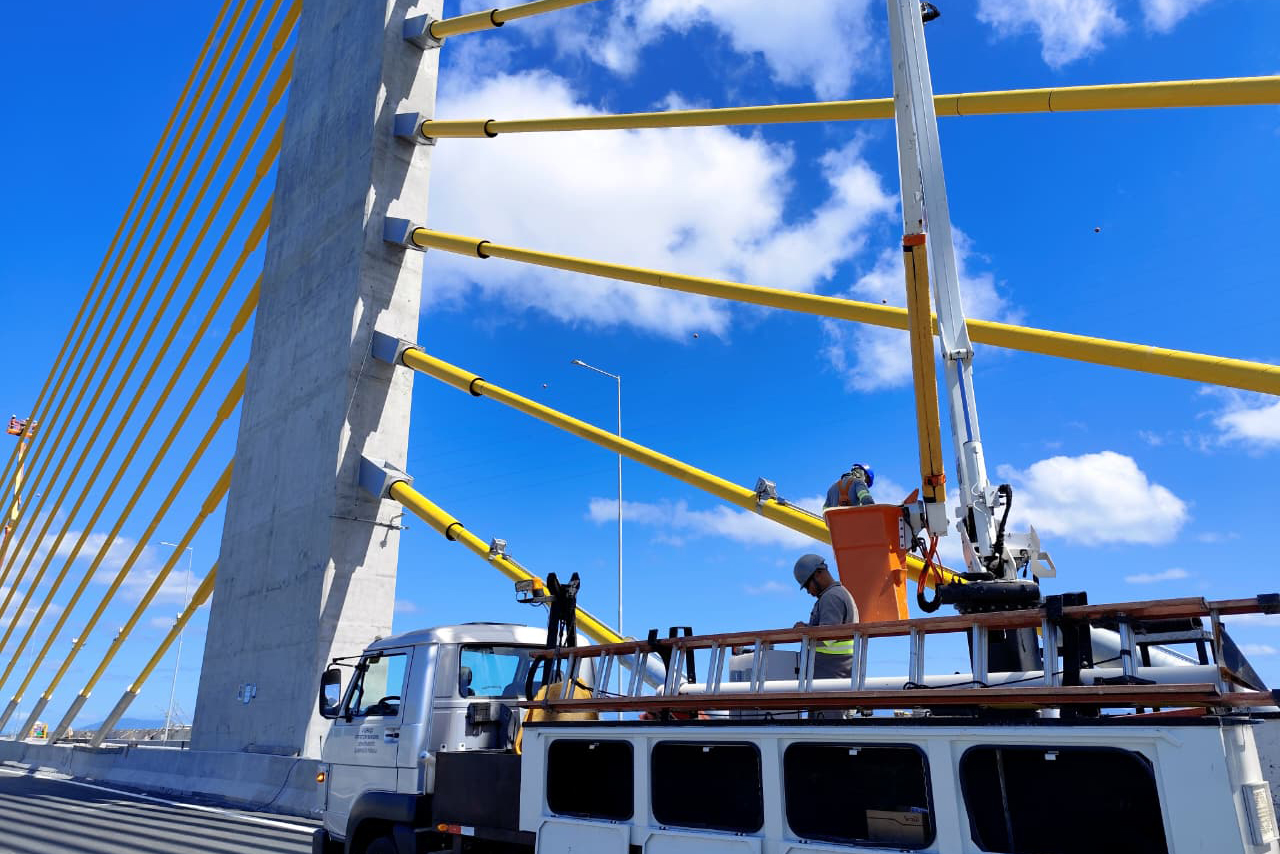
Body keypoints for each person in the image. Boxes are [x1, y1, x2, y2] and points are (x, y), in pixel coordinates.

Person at [793, 554, 859, 679]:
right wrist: (807, 628)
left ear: (818, 573)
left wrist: (804, 632)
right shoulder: (836, 594)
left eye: (807, 586)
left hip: (830, 675)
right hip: (835, 673)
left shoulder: (831, 597)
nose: (808, 591)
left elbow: (827, 638)